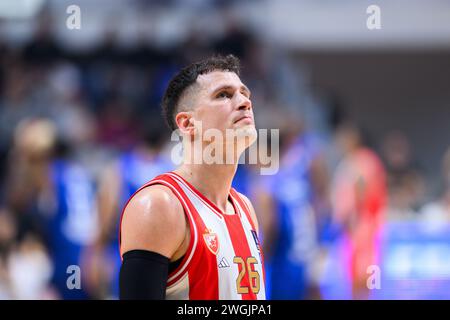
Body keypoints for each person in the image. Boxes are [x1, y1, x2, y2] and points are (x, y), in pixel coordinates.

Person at [119, 55, 266, 300]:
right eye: (224, 95)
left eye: (244, 93)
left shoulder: (245, 207)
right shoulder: (160, 205)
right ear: (188, 123)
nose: (244, 102)